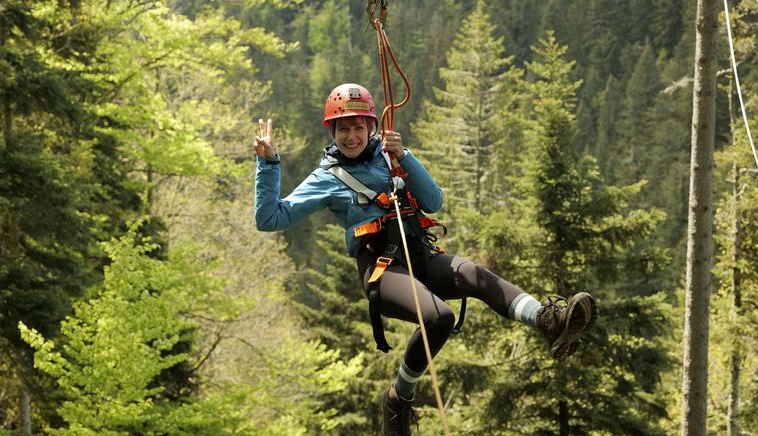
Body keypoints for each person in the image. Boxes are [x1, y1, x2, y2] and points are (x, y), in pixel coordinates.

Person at [253, 83, 597, 436]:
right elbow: (270, 219)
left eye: (358, 127)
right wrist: (268, 164)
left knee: (473, 275)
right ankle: (398, 399)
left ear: (371, 127)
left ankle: (548, 319)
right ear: (333, 131)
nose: (352, 136)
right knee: (437, 317)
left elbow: (433, 201)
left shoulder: (390, 155)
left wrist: (405, 157)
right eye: (344, 128)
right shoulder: (326, 178)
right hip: (381, 269)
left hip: (419, 252)